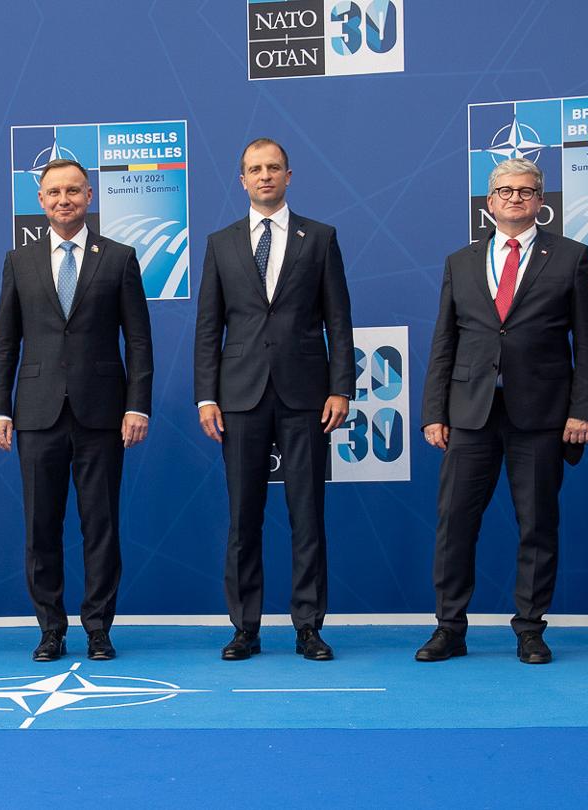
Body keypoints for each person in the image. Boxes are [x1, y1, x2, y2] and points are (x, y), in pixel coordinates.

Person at [416, 157, 588, 665]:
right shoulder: (460, 261)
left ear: (541, 201)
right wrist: (434, 411)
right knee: (455, 523)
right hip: (469, 413)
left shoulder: (571, 257)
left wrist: (583, 410)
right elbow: (444, 342)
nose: (515, 199)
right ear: (489, 202)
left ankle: (530, 630)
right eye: (505, 191)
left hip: (542, 415)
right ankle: (449, 629)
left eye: (526, 191)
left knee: (537, 524)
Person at [193, 138, 354, 662]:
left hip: (306, 394)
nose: (264, 176)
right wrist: (205, 397)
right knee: (244, 517)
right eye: (254, 169)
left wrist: (341, 387)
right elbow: (208, 328)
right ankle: (246, 627)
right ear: (241, 179)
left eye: (273, 168)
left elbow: (338, 320)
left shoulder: (320, 237)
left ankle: (308, 626)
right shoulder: (220, 243)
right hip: (238, 398)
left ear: (289, 175)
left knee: (307, 513)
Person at [0, 159, 154, 662]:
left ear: (89, 197)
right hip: (36, 414)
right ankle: (50, 629)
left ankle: (98, 629)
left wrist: (137, 407)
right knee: (41, 527)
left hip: (103, 414)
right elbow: (4, 343)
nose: (64, 200)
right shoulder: (19, 261)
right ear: (40, 201)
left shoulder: (120, 258)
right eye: (54, 192)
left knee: (99, 524)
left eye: (74, 191)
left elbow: (140, 341)